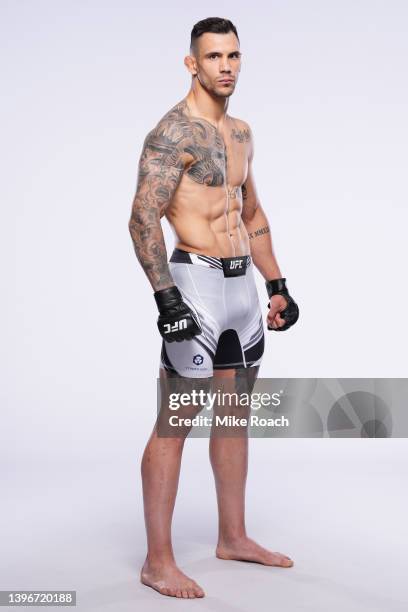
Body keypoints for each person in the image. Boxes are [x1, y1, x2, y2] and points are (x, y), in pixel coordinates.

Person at [128, 17, 299, 599]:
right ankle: (157, 561)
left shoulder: (243, 133)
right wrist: (165, 297)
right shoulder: (171, 134)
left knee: (234, 416)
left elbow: (250, 216)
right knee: (175, 422)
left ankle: (234, 537)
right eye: (213, 57)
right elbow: (141, 218)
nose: (225, 66)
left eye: (233, 56)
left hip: (242, 293)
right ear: (191, 64)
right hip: (194, 287)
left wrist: (277, 284)